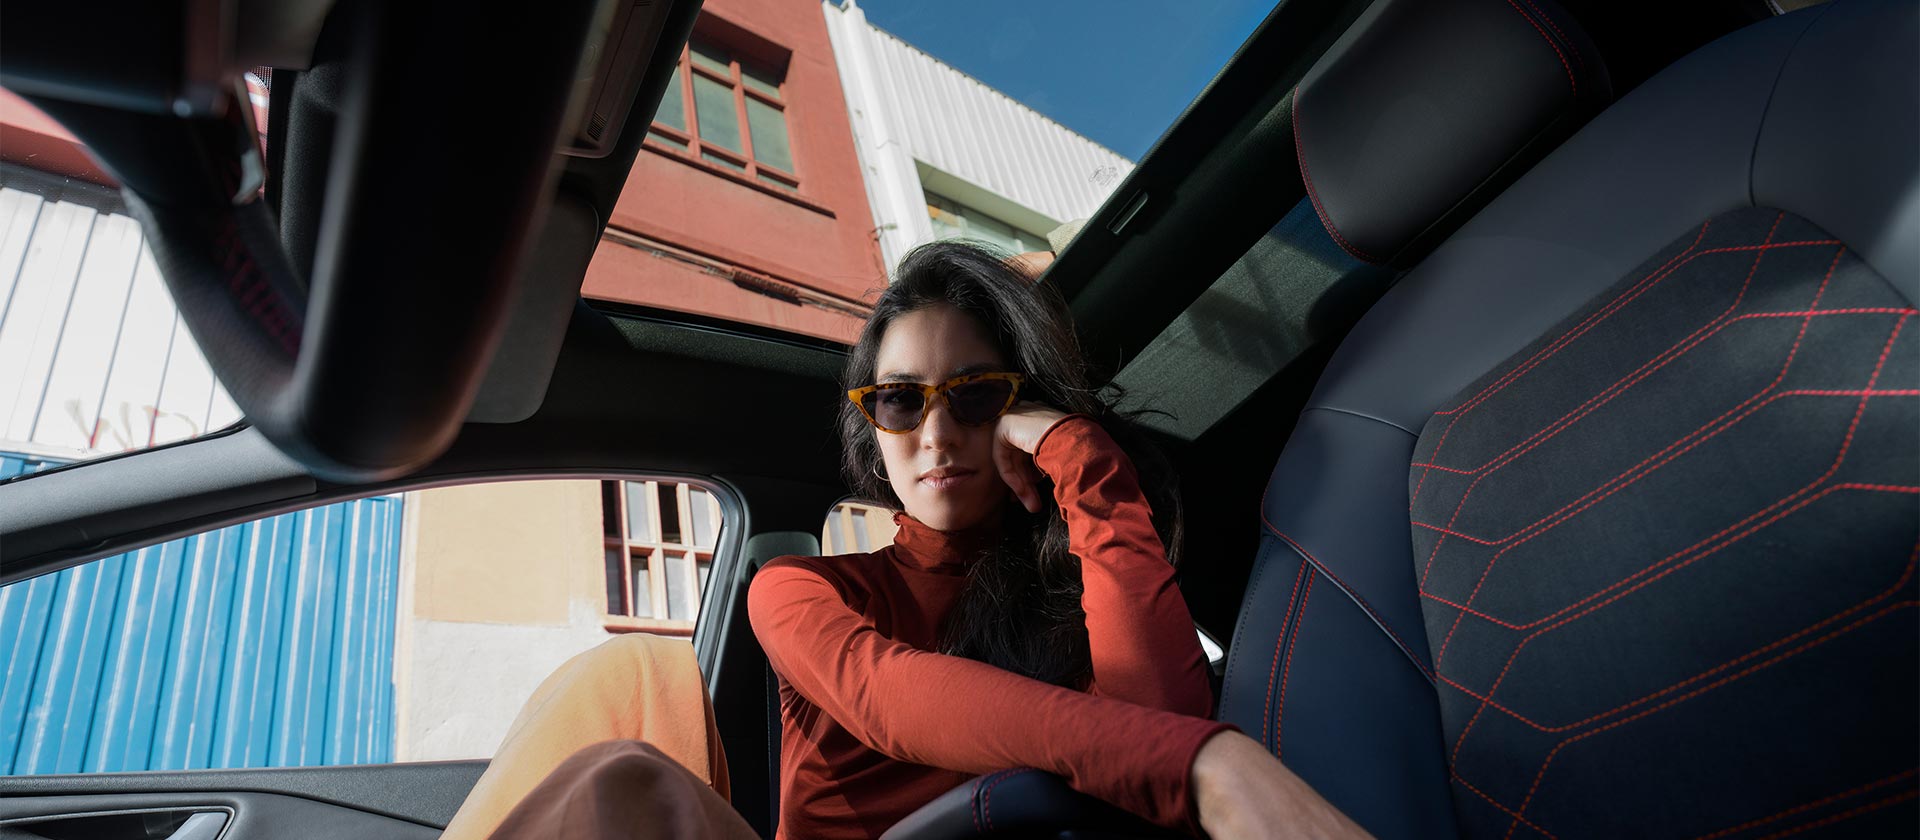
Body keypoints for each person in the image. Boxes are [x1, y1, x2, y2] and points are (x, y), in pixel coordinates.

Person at [441, 240, 1368, 840]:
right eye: (898, 399)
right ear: (872, 428)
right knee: (621, 783)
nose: (934, 430)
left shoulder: (1079, 596)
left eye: (973, 395)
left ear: (1019, 405)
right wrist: (1203, 759)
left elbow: (1163, 721)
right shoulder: (802, 590)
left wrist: (1080, 456)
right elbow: (892, 700)